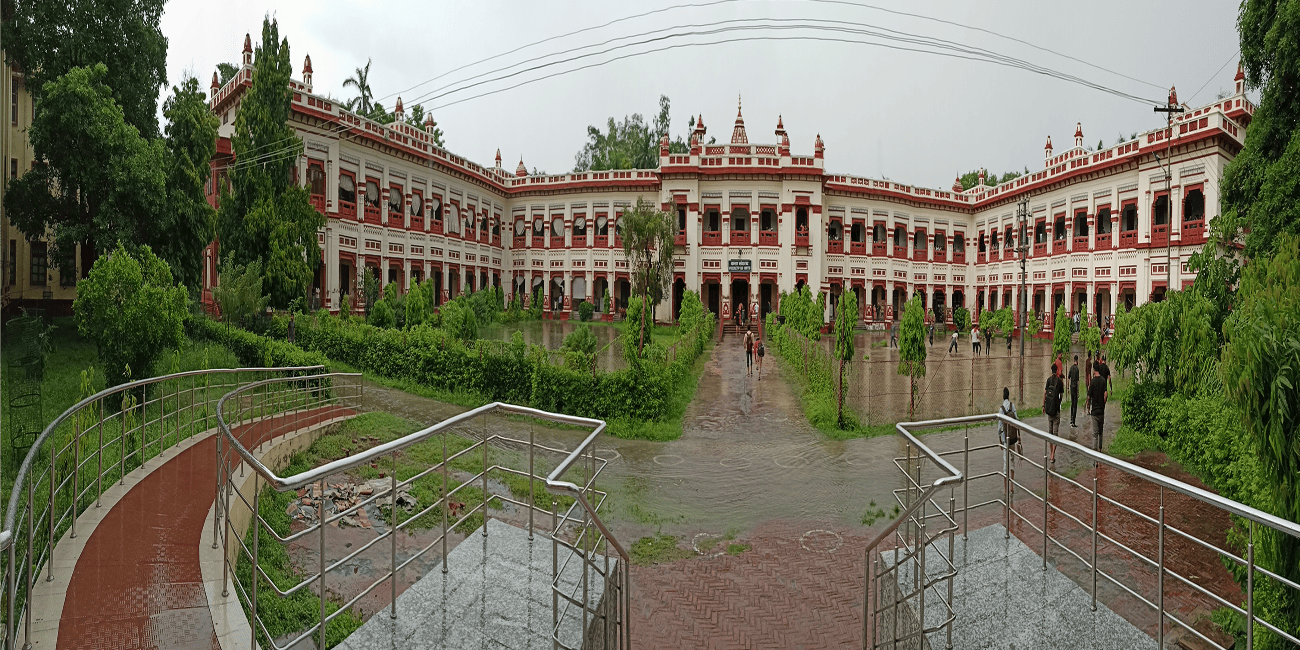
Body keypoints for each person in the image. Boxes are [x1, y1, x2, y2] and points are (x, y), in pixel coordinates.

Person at [998, 387, 1020, 482]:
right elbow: (1017, 421)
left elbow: (999, 427)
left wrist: (1000, 440)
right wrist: (1019, 436)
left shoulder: (1001, 409)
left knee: (1005, 463)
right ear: (1009, 396)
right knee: (1012, 461)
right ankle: (1011, 486)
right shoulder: (1013, 406)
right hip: (1013, 438)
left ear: (1003, 396)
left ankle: (1005, 488)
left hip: (1005, 439)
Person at [1085, 365, 1109, 451]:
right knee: (1100, 432)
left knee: (1095, 434)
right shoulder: (1103, 380)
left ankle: (1095, 457)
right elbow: (1105, 395)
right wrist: (1103, 403)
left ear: (1094, 370)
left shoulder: (1092, 381)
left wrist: (1088, 406)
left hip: (1094, 412)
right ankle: (1100, 449)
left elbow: (1088, 397)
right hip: (1101, 411)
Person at [1044, 364, 1064, 463]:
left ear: (1051, 370)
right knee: (1055, 434)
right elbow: (1061, 395)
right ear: (1057, 371)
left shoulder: (1048, 380)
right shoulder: (1059, 382)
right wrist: (1059, 403)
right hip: (1056, 410)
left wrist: (1044, 406)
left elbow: (1045, 393)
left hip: (1049, 411)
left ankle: (1050, 451)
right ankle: (1052, 455)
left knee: (1050, 432)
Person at [1068, 355, 1080, 428]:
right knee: (1075, 405)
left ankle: (1071, 419)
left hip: (1071, 387)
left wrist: (1068, 388)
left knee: (1072, 404)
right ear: (1077, 360)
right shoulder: (1077, 369)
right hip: (1075, 387)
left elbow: (1068, 377)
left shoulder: (1071, 368)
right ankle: (1073, 422)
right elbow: (1078, 381)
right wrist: (1078, 391)